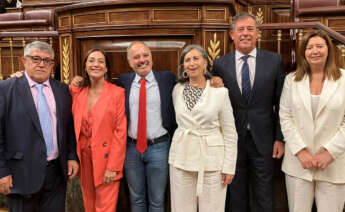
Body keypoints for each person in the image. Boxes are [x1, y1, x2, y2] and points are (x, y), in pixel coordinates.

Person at [212, 12, 286, 212]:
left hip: (265, 140)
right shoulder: (220, 64)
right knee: (236, 194)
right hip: (232, 139)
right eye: (240, 29)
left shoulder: (274, 60)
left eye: (250, 29)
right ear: (232, 34)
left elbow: (282, 103)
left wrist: (280, 138)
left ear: (258, 33)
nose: (245, 33)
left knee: (264, 194)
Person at [0, 41, 79, 212]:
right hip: (20, 174)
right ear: (24, 61)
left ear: (52, 64)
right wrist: (2, 172)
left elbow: (68, 127)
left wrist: (72, 155)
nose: (41, 64)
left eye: (47, 60)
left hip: (56, 174)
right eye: (36, 59)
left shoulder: (62, 90)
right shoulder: (5, 89)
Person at [279, 30, 345, 212]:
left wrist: (330, 152)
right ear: (304, 53)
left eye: (319, 46)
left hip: (334, 164)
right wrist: (301, 151)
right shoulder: (291, 80)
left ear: (329, 50)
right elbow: (285, 117)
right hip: (298, 164)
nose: (314, 51)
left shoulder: (344, 79)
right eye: (309, 47)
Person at [168, 44, 237, 212]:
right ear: (183, 66)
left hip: (212, 160)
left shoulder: (220, 92)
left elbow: (229, 132)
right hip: (181, 157)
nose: (192, 63)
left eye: (196, 58)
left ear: (205, 63)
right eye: (187, 60)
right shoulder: (177, 89)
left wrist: (229, 167)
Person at [116, 41, 176, 212]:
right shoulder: (123, 81)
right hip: (131, 149)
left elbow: (193, 80)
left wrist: (212, 79)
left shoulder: (167, 78)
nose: (142, 60)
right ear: (129, 62)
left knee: (157, 200)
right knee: (136, 199)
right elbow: (100, 89)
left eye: (145, 55)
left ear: (151, 57)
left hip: (160, 147)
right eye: (136, 57)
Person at [70, 49, 127, 212]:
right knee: (89, 205)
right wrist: (19, 76)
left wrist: (113, 166)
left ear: (106, 68)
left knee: (105, 208)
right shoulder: (76, 91)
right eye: (92, 60)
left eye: (101, 61)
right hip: (84, 160)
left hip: (107, 160)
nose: (96, 64)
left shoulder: (117, 93)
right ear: (85, 66)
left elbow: (120, 132)